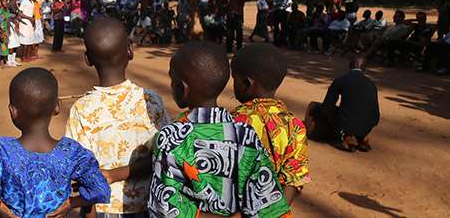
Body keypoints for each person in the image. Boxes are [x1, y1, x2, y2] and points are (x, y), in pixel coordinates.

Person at [148, 42, 291, 217]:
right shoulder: (245, 134)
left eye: (172, 79)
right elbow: (269, 207)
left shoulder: (171, 138)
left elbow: (165, 209)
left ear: (182, 88)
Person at [0, 67, 111, 217]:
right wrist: (70, 204)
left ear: (13, 111)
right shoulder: (72, 153)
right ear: (57, 107)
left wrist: (3, 210)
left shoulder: (0, 151)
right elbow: (100, 188)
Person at [66, 17, 169, 217]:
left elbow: (79, 169)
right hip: (148, 204)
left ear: (87, 59)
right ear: (130, 51)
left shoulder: (82, 109)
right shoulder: (152, 101)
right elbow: (165, 154)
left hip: (104, 208)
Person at [232, 44, 310, 205]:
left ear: (247, 83)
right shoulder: (295, 126)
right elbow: (294, 181)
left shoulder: (231, 122)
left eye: (235, 79)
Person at [305, 56, 379, 152]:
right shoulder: (372, 84)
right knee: (359, 110)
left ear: (350, 66)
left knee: (320, 109)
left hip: (348, 122)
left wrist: (318, 112)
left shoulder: (341, 80)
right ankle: (362, 137)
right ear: (364, 69)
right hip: (370, 123)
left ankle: (348, 136)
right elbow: (375, 113)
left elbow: (328, 105)